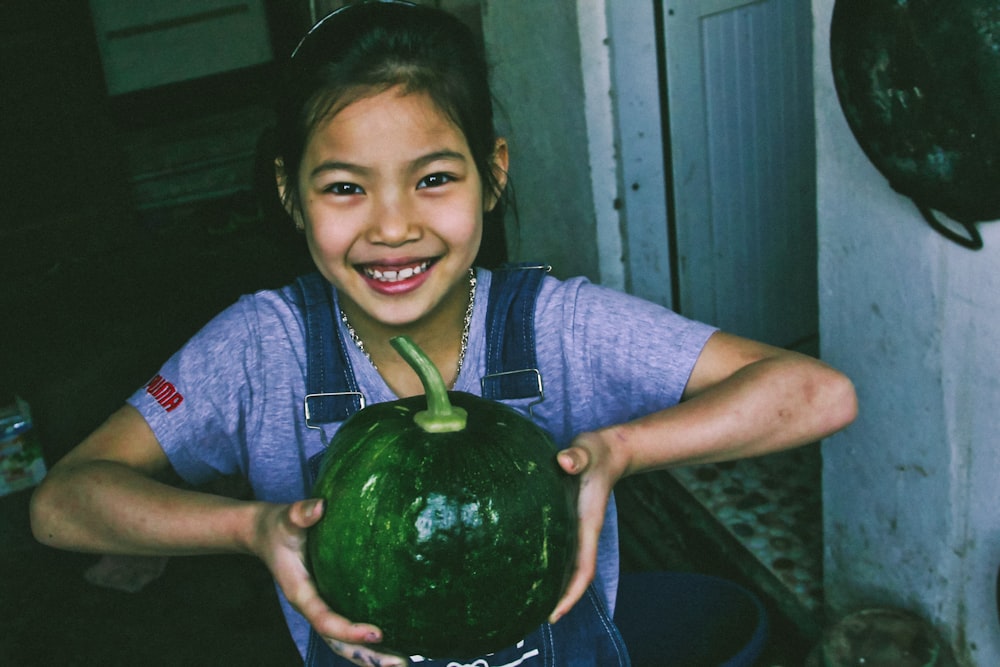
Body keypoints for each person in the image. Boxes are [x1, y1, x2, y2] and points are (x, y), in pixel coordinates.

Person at [29, 2, 858, 665]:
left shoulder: (559, 327)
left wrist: (622, 450)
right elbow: (63, 504)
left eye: (432, 178)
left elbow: (817, 393)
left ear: (492, 174)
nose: (393, 226)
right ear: (290, 194)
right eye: (346, 187)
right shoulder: (260, 350)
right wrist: (249, 528)